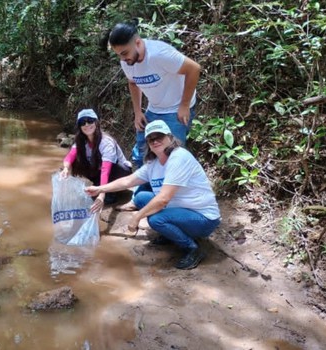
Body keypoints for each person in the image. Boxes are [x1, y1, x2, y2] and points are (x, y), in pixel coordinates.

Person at [85, 120, 220, 269]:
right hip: (182, 209)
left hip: (203, 218)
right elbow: (127, 181)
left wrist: (136, 218)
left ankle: (192, 249)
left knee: (156, 220)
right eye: (151, 139)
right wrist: (100, 189)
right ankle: (172, 234)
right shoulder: (153, 163)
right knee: (141, 198)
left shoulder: (178, 157)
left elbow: (163, 200)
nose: (155, 141)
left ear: (170, 137)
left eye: (159, 137)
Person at [108, 21, 201, 167]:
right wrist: (138, 112)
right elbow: (132, 82)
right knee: (141, 152)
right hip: (154, 108)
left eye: (124, 53)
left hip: (175, 108)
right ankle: (145, 187)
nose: (122, 59)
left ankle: (172, 187)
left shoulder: (159, 54)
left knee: (172, 156)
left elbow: (194, 69)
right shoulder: (127, 61)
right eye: (118, 55)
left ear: (138, 43)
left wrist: (184, 105)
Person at [60, 108, 132, 213]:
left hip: (120, 172)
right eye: (82, 122)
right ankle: (101, 185)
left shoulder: (106, 142)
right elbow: (71, 155)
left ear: (96, 122)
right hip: (101, 171)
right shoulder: (81, 141)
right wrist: (66, 168)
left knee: (106, 196)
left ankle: (111, 192)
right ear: (79, 127)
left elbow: (105, 170)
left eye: (90, 120)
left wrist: (101, 195)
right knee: (76, 162)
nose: (86, 125)